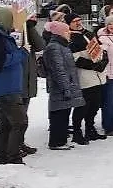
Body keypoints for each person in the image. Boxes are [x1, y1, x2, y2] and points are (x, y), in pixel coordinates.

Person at [0, 7, 29, 164]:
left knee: (6, 124)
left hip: (7, 87)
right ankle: (13, 157)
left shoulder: (0, 36)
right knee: (20, 122)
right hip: (5, 88)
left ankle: (3, 157)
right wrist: (21, 53)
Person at [42, 19, 85, 150]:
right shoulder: (54, 47)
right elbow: (58, 69)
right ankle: (56, 142)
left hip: (68, 84)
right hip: (60, 87)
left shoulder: (63, 46)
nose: (69, 34)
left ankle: (61, 140)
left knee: (64, 112)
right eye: (67, 31)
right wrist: (65, 88)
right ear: (60, 33)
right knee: (59, 113)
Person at [69, 14, 108, 143]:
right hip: (85, 76)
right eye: (74, 21)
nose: (78, 23)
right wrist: (93, 66)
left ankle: (90, 128)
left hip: (98, 76)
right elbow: (75, 59)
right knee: (82, 106)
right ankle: (77, 132)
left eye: (79, 20)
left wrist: (103, 62)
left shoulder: (89, 33)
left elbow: (101, 49)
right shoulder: (71, 38)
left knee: (95, 105)